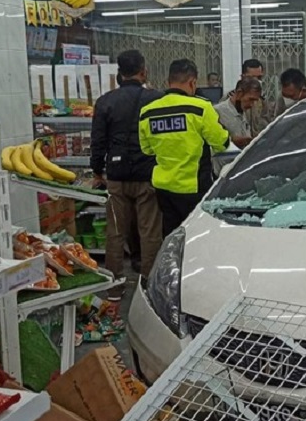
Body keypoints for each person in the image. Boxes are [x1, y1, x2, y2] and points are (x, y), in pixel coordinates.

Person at [90, 50, 163, 299]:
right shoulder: (156, 99)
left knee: (116, 232)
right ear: (143, 71)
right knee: (149, 233)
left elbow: (98, 141)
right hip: (148, 175)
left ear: (119, 73)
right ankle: (148, 287)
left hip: (117, 176)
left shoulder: (105, 101)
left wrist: (97, 171)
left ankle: (114, 286)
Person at [139, 59, 231, 237]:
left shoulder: (148, 111)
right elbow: (221, 143)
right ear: (192, 82)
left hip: (163, 187)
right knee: (196, 235)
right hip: (193, 186)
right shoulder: (200, 108)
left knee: (172, 235)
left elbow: (147, 149)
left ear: (169, 81)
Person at [213, 78, 259, 176]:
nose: (251, 105)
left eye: (254, 101)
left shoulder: (243, 112)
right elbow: (214, 144)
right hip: (222, 173)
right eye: (250, 99)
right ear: (239, 93)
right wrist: (236, 141)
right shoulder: (217, 112)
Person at [220, 59, 270, 138]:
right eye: (252, 77)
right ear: (243, 77)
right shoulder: (230, 98)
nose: (256, 81)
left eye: (259, 77)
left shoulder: (262, 100)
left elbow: (267, 121)